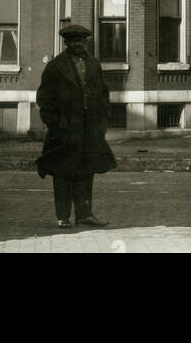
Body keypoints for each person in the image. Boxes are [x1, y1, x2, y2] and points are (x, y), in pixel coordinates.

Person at [36, 25, 116, 228]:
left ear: (86, 42)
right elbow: (44, 99)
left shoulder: (94, 65)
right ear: (66, 43)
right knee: (63, 174)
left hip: (89, 130)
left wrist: (102, 123)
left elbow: (104, 95)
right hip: (64, 130)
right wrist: (54, 124)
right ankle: (63, 217)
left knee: (85, 172)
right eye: (72, 41)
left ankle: (85, 215)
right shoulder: (55, 67)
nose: (77, 45)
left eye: (80, 41)